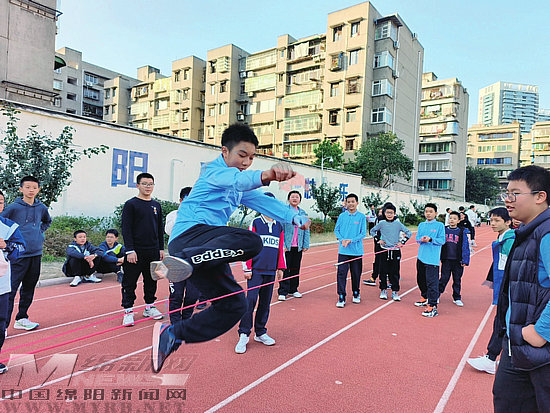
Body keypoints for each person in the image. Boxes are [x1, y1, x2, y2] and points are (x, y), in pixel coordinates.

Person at [150, 123, 310, 373]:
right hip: (190, 237)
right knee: (252, 241)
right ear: (225, 151)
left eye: (251, 158)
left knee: (235, 305)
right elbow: (239, 180)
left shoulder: (239, 185)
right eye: (242, 155)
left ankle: (172, 334)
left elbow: (261, 200)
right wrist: (267, 175)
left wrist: (294, 217)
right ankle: (183, 263)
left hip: (207, 251)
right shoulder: (213, 172)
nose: (246, 162)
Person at [491, 165, 550, 412]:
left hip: (539, 350)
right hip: (517, 344)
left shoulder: (546, 233)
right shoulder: (527, 232)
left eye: (515, 193)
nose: (508, 199)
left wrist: (541, 331)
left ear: (540, 196)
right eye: (506, 193)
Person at [235, 192, 286, 354]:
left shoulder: (278, 226)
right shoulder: (256, 223)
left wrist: (280, 268)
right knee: (250, 301)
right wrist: (247, 268)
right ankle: (244, 333)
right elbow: (247, 246)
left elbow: (280, 248)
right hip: (256, 270)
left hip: (270, 270)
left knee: (265, 302)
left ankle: (260, 332)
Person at [0, 176, 51, 331]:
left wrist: (39, 232)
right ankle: (3, 326)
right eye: (27, 187)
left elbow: (47, 221)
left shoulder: (41, 207)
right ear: (21, 189)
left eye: (34, 187)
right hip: (18, 256)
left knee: (29, 288)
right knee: (10, 291)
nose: (31, 190)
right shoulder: (13, 208)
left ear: (38, 190)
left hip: (36, 253)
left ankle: (22, 318)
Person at [467, 207, 514, 375]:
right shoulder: (503, 238)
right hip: (504, 285)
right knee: (502, 321)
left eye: (497, 220)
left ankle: (491, 359)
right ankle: (500, 358)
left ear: (508, 222)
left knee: (502, 322)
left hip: (509, 287)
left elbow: (512, 265)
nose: (492, 223)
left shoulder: (509, 240)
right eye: (491, 220)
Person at [121, 172, 165, 327]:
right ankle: (128, 311)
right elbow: (126, 229)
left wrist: (161, 248)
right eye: (145, 184)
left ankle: (149, 307)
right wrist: (130, 250)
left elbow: (159, 228)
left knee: (152, 280)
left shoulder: (156, 205)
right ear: (137, 185)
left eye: (150, 184)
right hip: (135, 251)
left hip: (153, 250)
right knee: (129, 282)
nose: (148, 187)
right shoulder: (131, 204)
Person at [164, 187, 200, 324]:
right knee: (176, 295)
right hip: (176, 261)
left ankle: (186, 321)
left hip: (194, 261)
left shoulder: (201, 215)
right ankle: (175, 324)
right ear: (181, 200)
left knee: (192, 295)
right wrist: (184, 213)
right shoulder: (173, 215)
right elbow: (169, 230)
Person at [0, 189, 26, 373]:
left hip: (1, 284)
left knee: (0, 322)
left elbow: (21, 248)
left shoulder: (9, 226)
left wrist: (7, 246)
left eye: (0, 202)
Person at [369, 203, 411, 301]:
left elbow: (408, 233)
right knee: (383, 271)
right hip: (384, 250)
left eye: (391, 213)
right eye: (387, 212)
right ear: (384, 213)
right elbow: (372, 231)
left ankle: (395, 291)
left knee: (394, 272)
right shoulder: (382, 223)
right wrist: (378, 239)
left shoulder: (398, 224)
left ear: (394, 214)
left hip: (395, 251)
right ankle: (383, 290)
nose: (389, 215)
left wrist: (402, 242)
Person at [334, 194, 367, 308]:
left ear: (357, 203)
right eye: (348, 202)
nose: (351, 204)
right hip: (343, 251)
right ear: (346, 204)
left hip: (356, 251)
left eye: (353, 201)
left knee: (356, 273)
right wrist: (342, 239)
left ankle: (356, 292)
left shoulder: (361, 217)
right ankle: (341, 295)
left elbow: (363, 233)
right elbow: (337, 230)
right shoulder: (342, 216)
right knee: (341, 273)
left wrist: (351, 240)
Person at [277, 190, 309, 301]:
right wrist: (283, 245)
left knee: (295, 268)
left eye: (297, 197)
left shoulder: (303, 213)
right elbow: (280, 229)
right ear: (288, 199)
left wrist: (305, 244)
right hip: (287, 246)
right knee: (285, 269)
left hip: (298, 245)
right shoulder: (285, 212)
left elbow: (306, 229)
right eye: (292, 197)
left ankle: (293, 289)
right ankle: (283, 291)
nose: (295, 198)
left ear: (300, 200)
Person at [414, 203, 445, 317]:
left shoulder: (440, 225)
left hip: (432, 259)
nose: (428, 214)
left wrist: (431, 239)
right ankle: (424, 297)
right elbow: (417, 239)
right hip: (421, 257)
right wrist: (421, 239)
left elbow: (442, 240)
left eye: (431, 212)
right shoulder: (421, 225)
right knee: (420, 280)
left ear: (436, 213)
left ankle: (432, 306)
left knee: (432, 283)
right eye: (426, 211)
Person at [438, 211, 470, 307]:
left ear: (459, 221)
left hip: (457, 260)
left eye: (454, 218)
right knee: (444, 278)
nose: (452, 220)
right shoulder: (444, 230)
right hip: (446, 259)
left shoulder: (462, 231)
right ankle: (437, 295)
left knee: (457, 280)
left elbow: (465, 246)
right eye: (450, 218)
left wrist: (465, 260)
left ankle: (457, 298)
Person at [364, 207, 384, 287]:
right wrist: (377, 238)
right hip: (378, 243)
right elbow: (373, 230)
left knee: (387, 262)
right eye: (379, 212)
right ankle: (373, 278)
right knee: (377, 260)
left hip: (388, 244)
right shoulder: (377, 219)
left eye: (381, 212)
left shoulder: (391, 221)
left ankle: (389, 279)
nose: (380, 214)